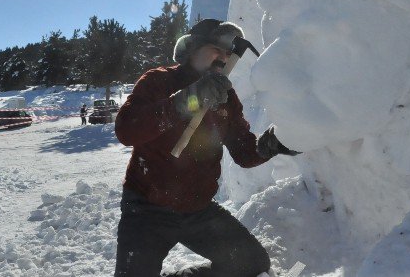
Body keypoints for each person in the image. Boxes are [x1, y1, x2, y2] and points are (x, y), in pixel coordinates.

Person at [114, 18, 299, 277]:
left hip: (197, 209)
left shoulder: (226, 97)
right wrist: (188, 100)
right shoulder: (158, 81)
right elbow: (127, 130)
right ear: (193, 48)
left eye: (228, 53)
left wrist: (271, 145)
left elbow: (244, 152)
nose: (224, 57)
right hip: (146, 209)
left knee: (252, 262)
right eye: (217, 49)